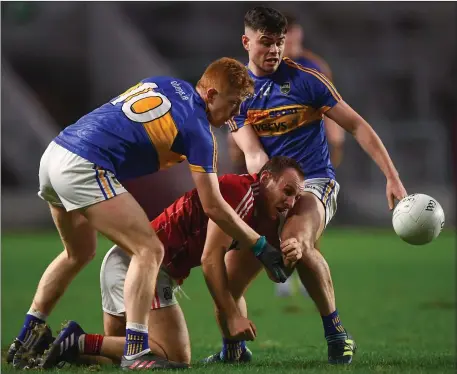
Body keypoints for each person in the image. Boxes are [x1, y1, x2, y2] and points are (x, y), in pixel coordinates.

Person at [7, 57, 287, 371]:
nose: (236, 113)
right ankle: (136, 352)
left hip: (55, 154)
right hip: (85, 165)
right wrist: (260, 246)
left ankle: (26, 339)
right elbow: (213, 206)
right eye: (233, 104)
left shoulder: (167, 83)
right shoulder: (199, 132)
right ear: (211, 95)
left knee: (78, 252)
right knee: (149, 249)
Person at [210, 6, 408, 365]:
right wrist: (265, 196)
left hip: (315, 182)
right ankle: (233, 349)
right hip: (266, 186)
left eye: (279, 43)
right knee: (224, 280)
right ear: (246, 42)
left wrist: (392, 176)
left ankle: (336, 334)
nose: (274, 50)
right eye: (265, 42)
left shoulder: (307, 80)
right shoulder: (238, 95)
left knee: (295, 243)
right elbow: (253, 153)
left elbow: (358, 126)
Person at [29, 156, 304, 369]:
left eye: (296, 197)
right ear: (266, 178)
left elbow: (274, 274)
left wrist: (291, 255)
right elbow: (210, 259)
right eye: (287, 191)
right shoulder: (238, 191)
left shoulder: (265, 214)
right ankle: (76, 340)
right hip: (142, 266)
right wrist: (232, 316)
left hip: (129, 262)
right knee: (175, 358)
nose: (290, 202)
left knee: (122, 360)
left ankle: (49, 347)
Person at [276, 13, 346, 297]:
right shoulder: (266, 70)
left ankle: (306, 270)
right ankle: (282, 276)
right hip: (278, 156)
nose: (291, 39)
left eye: (293, 32)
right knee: (279, 216)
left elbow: (331, 108)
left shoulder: (314, 67)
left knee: (308, 216)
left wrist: (335, 139)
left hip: (310, 157)